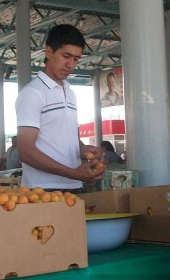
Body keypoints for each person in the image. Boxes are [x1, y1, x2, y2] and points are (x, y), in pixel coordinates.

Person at [15, 24, 105, 192]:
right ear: (49, 52)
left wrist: (85, 150)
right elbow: (26, 152)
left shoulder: (70, 94)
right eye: (66, 56)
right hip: (42, 190)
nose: (70, 64)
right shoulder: (33, 93)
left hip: (74, 187)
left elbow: (66, 139)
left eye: (76, 59)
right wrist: (73, 173)